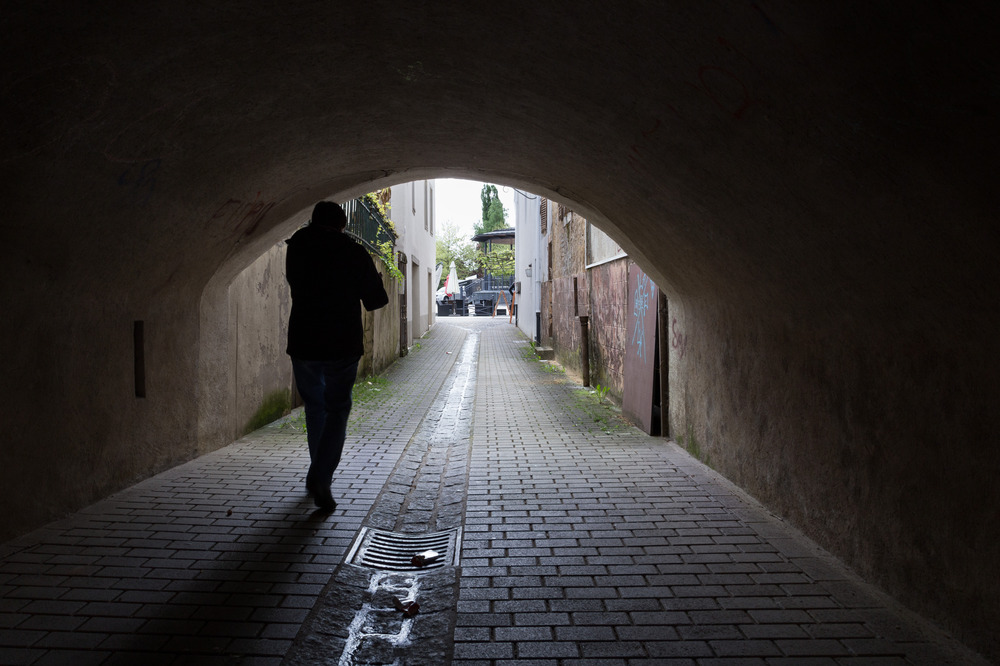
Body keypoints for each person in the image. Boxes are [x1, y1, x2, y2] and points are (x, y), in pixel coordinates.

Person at [285, 201, 389, 511]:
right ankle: (321, 477)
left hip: (303, 341)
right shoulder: (352, 251)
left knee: (314, 407)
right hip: (341, 344)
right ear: (343, 224)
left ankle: (316, 470)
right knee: (337, 409)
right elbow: (375, 300)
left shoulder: (297, 246)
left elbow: (296, 284)